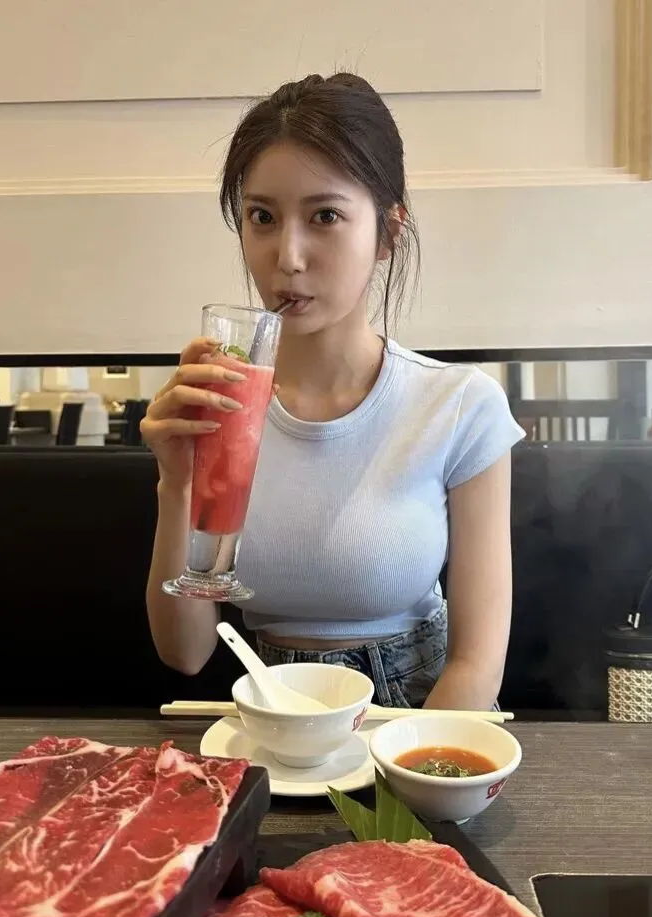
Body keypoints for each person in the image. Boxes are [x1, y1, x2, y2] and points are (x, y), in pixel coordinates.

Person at [142, 72, 525, 710]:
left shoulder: (459, 406)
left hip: (422, 725)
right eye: (262, 217)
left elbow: (476, 665)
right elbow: (186, 652)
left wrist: (401, 760)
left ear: (388, 233)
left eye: (325, 216)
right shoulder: (220, 404)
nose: (288, 256)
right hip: (273, 720)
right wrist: (176, 481)